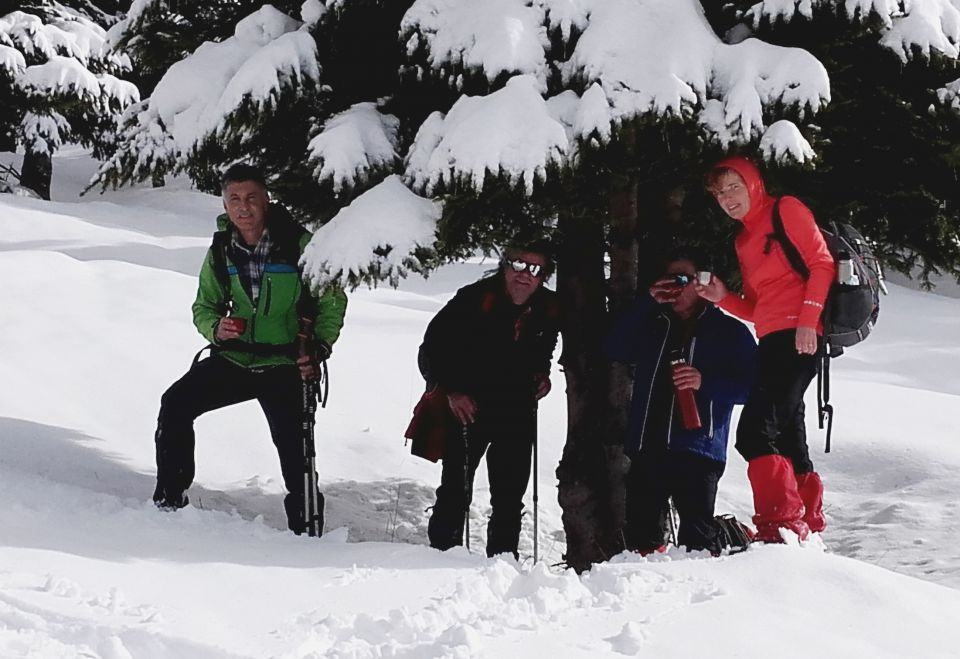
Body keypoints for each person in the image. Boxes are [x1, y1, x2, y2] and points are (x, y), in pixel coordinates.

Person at [152, 163, 348, 535]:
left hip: (285, 363)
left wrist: (319, 346)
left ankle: (306, 533)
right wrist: (216, 328)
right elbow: (204, 306)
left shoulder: (299, 245)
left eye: (251, 198)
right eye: (234, 200)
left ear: (266, 200)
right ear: (225, 205)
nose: (244, 207)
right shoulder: (222, 248)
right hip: (236, 358)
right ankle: (168, 504)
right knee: (175, 404)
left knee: (296, 450)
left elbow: (332, 300)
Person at [697, 155, 835, 543]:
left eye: (734, 187)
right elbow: (758, 309)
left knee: (755, 434)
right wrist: (723, 297)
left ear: (754, 184)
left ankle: (781, 526)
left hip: (800, 336)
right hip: (772, 339)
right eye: (720, 193)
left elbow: (821, 264)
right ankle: (807, 522)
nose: (727, 198)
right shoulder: (743, 239)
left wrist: (809, 320)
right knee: (787, 434)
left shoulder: (785, 209)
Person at [606, 252, 757, 555]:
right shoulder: (653, 324)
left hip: (699, 447)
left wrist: (706, 383)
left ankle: (731, 535)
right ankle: (645, 588)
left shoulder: (729, 331)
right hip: (648, 443)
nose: (675, 286)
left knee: (697, 541)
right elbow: (614, 347)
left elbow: (753, 389)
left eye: (683, 279)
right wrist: (648, 301)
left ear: (702, 284)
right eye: (669, 279)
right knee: (641, 539)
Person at [418, 242, 561, 559]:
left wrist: (542, 373)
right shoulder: (473, 299)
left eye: (535, 269)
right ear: (504, 265)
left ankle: (503, 563)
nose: (524, 275)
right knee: (455, 490)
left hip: (517, 410)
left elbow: (545, 346)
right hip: (470, 407)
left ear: (543, 277)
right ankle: (441, 557)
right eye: (518, 264)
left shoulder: (549, 307)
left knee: (510, 496)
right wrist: (452, 391)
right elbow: (431, 348)